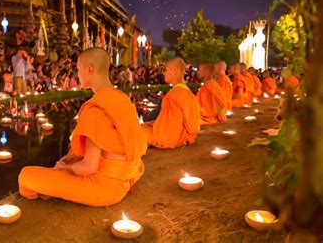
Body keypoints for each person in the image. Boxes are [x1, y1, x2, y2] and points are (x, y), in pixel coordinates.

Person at [19, 47, 147, 207]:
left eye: (78, 69)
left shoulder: (96, 107)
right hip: (128, 176)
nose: (77, 75)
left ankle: (42, 193)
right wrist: (73, 159)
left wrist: (67, 167)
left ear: (89, 69)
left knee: (26, 176)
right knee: (64, 167)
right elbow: (111, 147)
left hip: (104, 188)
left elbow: (89, 168)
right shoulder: (122, 98)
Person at [141, 57, 200, 148]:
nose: (163, 73)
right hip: (185, 136)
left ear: (175, 70)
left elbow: (167, 129)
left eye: (166, 70)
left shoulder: (173, 95)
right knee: (146, 125)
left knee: (139, 130)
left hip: (173, 139)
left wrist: (153, 125)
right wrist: (154, 123)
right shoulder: (187, 92)